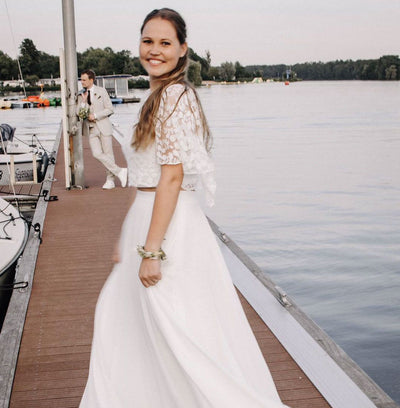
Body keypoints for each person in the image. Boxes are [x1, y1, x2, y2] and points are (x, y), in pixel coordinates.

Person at [79, 8, 290, 408]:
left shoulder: (174, 97)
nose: (154, 50)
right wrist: (132, 237)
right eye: (148, 40)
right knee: (137, 325)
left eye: (164, 43)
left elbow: (171, 179)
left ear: (182, 49)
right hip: (151, 220)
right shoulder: (159, 94)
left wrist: (153, 250)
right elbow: (148, 179)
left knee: (177, 331)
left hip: (167, 229)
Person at [77, 69, 127, 189]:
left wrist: (96, 115)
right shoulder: (80, 94)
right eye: (81, 79)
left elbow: (110, 109)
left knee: (108, 154)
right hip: (91, 128)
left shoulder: (101, 91)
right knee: (97, 153)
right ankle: (120, 171)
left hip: (104, 126)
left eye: (84, 80)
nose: (82, 82)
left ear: (91, 80)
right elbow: (79, 113)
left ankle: (110, 181)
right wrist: (83, 103)